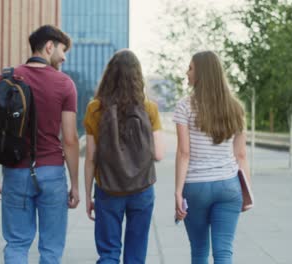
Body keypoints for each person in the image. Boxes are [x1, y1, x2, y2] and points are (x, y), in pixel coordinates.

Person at [0, 25, 80, 264]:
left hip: (15, 173)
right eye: (62, 51)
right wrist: (75, 184)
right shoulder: (65, 84)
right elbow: (70, 139)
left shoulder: (5, 78)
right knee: (51, 248)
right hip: (52, 172)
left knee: (16, 243)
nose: (64, 57)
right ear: (49, 46)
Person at [83, 49, 165, 264]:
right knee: (136, 255)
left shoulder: (95, 108)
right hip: (142, 189)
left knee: (108, 253)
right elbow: (158, 154)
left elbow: (91, 157)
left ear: (109, 75)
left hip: (108, 188)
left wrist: (88, 194)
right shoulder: (149, 109)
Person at [173, 50, 251, 264]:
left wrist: (178, 193)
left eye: (190, 68)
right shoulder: (235, 108)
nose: (186, 72)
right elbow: (241, 154)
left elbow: (184, 152)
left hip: (196, 186)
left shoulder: (185, 106)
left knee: (199, 251)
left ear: (202, 73)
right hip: (229, 186)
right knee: (224, 252)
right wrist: (247, 193)